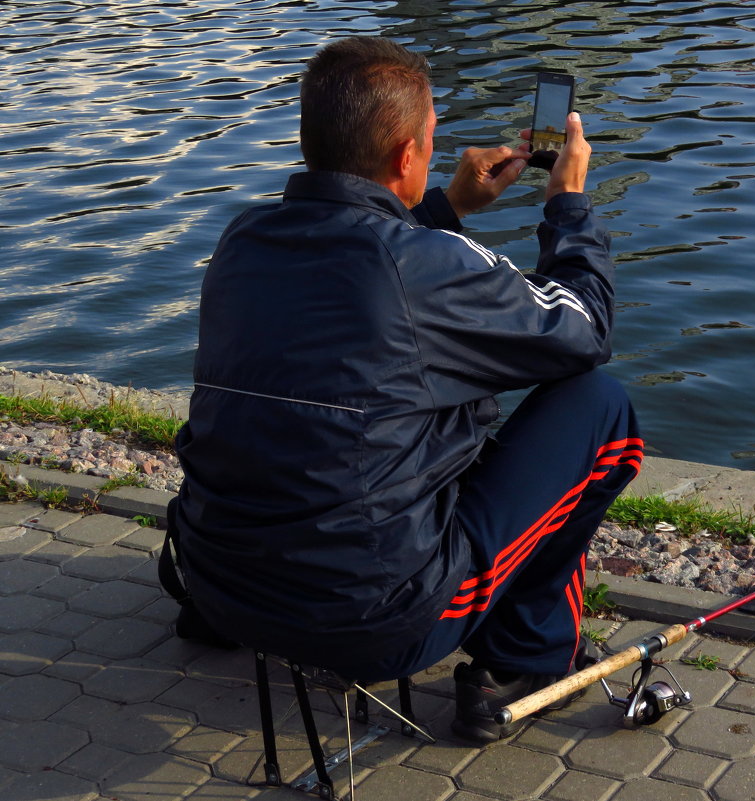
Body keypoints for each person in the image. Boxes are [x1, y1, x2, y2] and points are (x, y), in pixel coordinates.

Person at [171, 36, 643, 743]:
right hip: (378, 623)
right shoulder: (426, 264)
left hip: (216, 583)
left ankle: (251, 596)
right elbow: (584, 329)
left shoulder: (243, 239)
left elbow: (357, 278)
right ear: (404, 154)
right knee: (600, 406)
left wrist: (447, 204)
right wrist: (569, 206)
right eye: (430, 139)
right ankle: (524, 654)